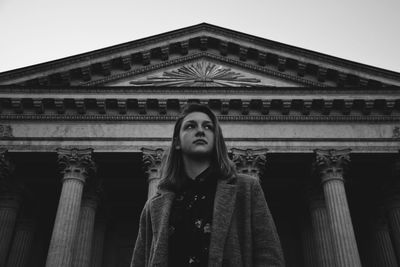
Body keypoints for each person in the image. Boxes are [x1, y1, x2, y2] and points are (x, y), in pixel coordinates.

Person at [131, 103, 284, 267]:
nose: (200, 131)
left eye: (208, 127)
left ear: (216, 139)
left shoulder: (246, 189)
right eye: (190, 126)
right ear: (177, 142)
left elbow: (269, 256)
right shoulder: (154, 206)